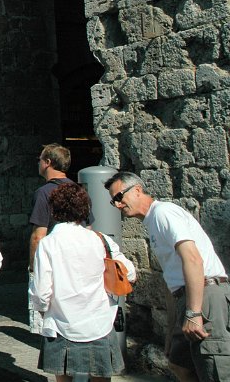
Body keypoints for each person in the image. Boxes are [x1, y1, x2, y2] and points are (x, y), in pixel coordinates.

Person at [105, 172, 229, 381]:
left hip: (204, 295)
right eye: (113, 201)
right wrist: (172, 330)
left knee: (214, 370)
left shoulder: (163, 213)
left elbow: (193, 259)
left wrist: (194, 313)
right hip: (189, 298)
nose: (117, 205)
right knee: (179, 364)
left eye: (119, 197)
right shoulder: (153, 221)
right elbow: (173, 279)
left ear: (137, 190)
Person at [31, 182, 135, 382]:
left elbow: (42, 292)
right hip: (100, 322)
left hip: (61, 325)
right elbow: (129, 272)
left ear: (54, 210)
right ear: (84, 209)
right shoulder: (101, 240)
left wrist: (44, 311)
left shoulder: (48, 244)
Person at [29, 143, 91, 333]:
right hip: (79, 259)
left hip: (53, 259)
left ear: (47, 162)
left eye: (39, 159)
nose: (38, 163)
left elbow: (38, 236)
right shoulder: (80, 191)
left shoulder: (43, 193)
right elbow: (88, 227)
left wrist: (33, 267)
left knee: (49, 314)